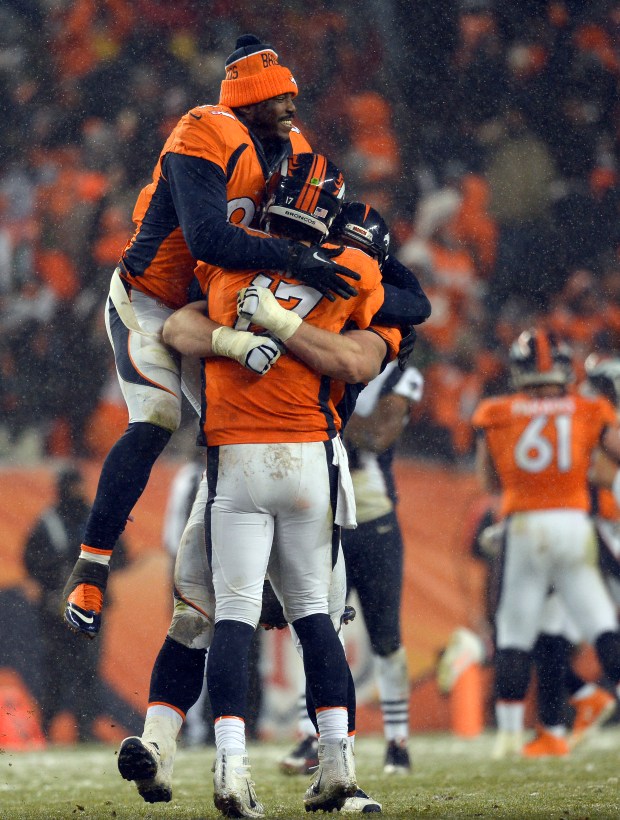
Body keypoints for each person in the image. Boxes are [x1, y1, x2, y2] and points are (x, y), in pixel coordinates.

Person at [117, 157, 403, 817]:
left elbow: (172, 323)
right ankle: (340, 768)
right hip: (309, 457)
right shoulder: (356, 274)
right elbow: (372, 341)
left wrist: (251, 330)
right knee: (316, 619)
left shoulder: (225, 266)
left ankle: (228, 770)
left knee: (219, 618)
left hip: (234, 462)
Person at [61, 33, 363, 640]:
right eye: (279, 97)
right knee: (157, 416)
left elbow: (314, 219)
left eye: (293, 97)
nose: (292, 108)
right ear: (248, 100)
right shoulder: (204, 130)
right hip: (150, 300)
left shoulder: (293, 148)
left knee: (255, 427)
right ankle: (91, 567)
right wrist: (296, 260)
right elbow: (207, 239)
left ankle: (284, 585)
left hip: (213, 307)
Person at [280, 203, 424, 777]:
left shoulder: (389, 341)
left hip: (368, 496)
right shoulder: (325, 319)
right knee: (319, 618)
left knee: (384, 630)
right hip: (325, 484)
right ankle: (312, 732)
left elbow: (382, 428)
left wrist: (329, 408)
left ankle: (398, 741)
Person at [472, 328, 620, 759]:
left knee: (515, 632)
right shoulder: (587, 408)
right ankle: (590, 700)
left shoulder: (498, 410)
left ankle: (509, 737)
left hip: (526, 523)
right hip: (574, 522)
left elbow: (488, 481)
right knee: (600, 624)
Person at [23, 466, 127, 741]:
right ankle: (51, 730)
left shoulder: (91, 518)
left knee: (83, 671)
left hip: (82, 604)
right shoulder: (53, 522)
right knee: (59, 671)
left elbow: (122, 555)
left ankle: (84, 729)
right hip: (60, 607)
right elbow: (31, 562)